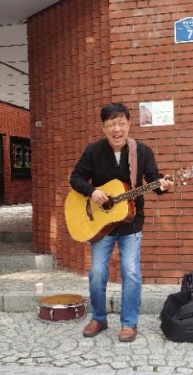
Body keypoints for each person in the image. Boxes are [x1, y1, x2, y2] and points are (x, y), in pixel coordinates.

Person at [69, 102, 174, 342]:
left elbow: (154, 181)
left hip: (130, 223)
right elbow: (75, 178)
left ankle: (129, 323)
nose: (117, 129)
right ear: (103, 127)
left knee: (130, 271)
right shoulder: (93, 151)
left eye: (121, 123)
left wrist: (164, 185)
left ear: (129, 124)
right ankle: (99, 317)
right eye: (111, 124)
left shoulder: (142, 151)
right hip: (101, 226)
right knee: (96, 272)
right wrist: (92, 191)